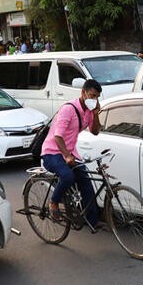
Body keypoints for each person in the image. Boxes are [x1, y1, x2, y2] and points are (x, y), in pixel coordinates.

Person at [40, 79, 105, 232]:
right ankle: (54, 203)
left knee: (86, 181)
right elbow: (58, 136)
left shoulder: (89, 111)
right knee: (68, 176)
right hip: (52, 153)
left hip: (70, 152)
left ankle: (92, 221)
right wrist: (67, 156)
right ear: (83, 93)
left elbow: (95, 131)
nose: (94, 99)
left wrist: (95, 114)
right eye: (92, 95)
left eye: (96, 97)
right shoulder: (68, 109)